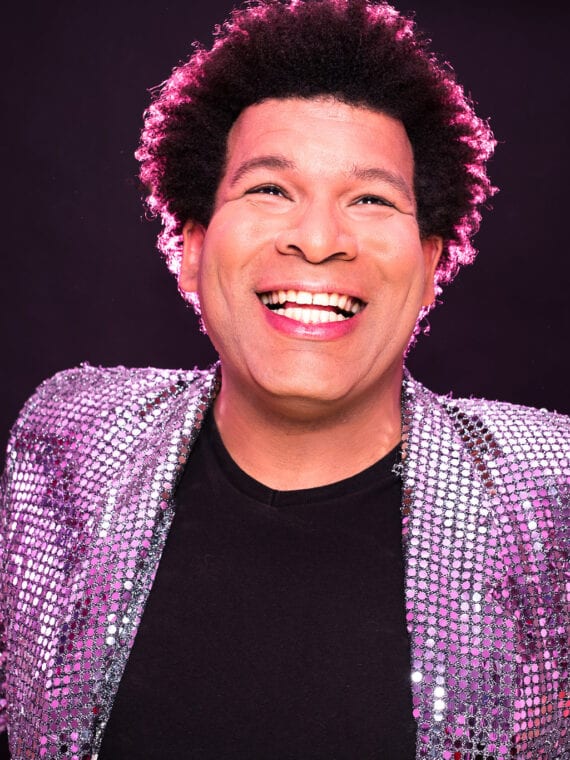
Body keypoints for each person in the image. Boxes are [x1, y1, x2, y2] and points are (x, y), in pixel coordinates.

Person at [1, 0, 568, 758]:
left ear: (433, 264)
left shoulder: (550, 495)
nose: (319, 239)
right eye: (270, 189)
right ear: (192, 248)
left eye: (371, 198)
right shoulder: (70, 441)